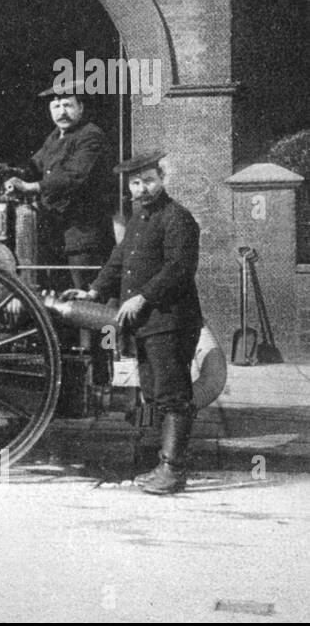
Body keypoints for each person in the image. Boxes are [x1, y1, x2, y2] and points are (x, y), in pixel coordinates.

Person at [62, 151, 204, 494]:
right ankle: (161, 463)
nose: (143, 189)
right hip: (147, 324)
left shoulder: (178, 218)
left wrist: (143, 297)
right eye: (136, 183)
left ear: (162, 178)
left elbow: (179, 269)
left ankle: (173, 471)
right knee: (154, 393)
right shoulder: (139, 219)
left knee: (173, 396)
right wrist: (94, 291)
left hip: (169, 321)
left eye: (149, 181)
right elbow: (118, 261)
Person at [5, 80, 116, 288]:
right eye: (56, 107)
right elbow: (35, 165)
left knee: (85, 295)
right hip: (57, 233)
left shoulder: (90, 136)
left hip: (83, 236)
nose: (61, 112)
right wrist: (11, 174)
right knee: (58, 294)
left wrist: (31, 187)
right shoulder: (55, 137)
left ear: (81, 107)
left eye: (68, 105)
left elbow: (73, 175)